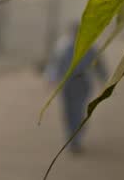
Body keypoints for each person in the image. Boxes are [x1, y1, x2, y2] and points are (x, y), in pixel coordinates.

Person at [44, 22, 107, 154]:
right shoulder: (63, 47)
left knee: (77, 111)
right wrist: (51, 78)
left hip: (82, 83)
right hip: (67, 84)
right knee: (68, 112)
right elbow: (55, 64)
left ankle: (75, 140)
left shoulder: (89, 48)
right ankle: (72, 138)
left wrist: (105, 81)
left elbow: (99, 65)